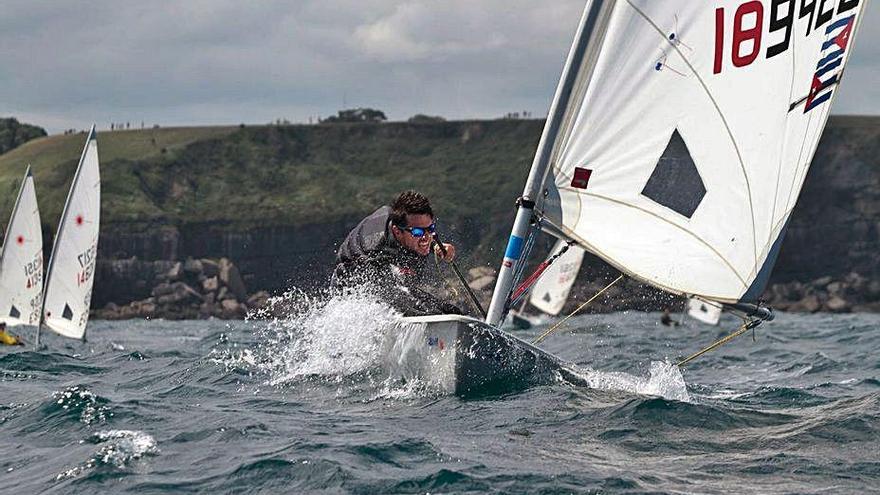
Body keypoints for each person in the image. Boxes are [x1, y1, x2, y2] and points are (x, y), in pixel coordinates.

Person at [333, 190, 463, 316]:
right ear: (397, 231)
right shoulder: (375, 247)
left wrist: (436, 247)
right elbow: (384, 291)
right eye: (418, 232)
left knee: (451, 311)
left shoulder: (409, 228)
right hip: (354, 282)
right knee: (422, 312)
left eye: (430, 228)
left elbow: (422, 235)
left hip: (389, 277)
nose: (427, 237)